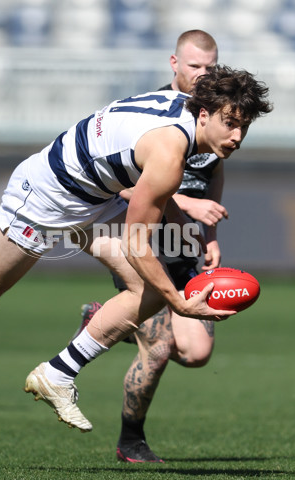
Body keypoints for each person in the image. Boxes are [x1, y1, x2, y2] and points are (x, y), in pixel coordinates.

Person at [0, 66, 272, 437]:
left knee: (147, 291)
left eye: (244, 126)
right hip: (47, 195)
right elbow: (137, 241)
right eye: (230, 123)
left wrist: (182, 240)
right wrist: (179, 303)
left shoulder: (180, 111)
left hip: (96, 196)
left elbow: (148, 190)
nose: (236, 136)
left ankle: (58, 373)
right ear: (204, 116)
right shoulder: (170, 153)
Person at [75, 30, 230, 463]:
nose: (203, 74)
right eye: (195, 66)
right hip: (145, 242)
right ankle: (131, 442)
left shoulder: (217, 114)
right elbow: (123, 184)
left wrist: (210, 235)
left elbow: (214, 174)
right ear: (174, 64)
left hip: (186, 243)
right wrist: (185, 203)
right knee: (159, 347)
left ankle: (103, 319)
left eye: (210, 67)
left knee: (197, 353)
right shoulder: (152, 113)